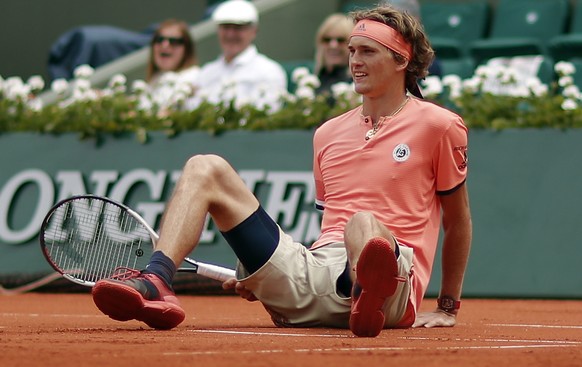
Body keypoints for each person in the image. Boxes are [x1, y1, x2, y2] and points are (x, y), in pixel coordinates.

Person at [91, 4, 472, 337]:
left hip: (394, 282)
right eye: (352, 50)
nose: (354, 60)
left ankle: (365, 291)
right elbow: (328, 232)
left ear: (402, 60)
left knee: (361, 223)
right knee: (205, 166)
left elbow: (457, 221)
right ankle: (156, 278)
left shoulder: (439, 125)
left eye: (367, 51)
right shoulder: (327, 133)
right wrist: (258, 273)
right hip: (317, 275)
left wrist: (447, 305)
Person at [185, 0, 287, 111]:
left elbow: (268, 116)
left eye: (238, 28)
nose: (230, 34)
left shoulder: (269, 71)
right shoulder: (206, 73)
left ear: (254, 31)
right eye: (226, 27)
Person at [145, 19, 199, 106]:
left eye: (174, 41)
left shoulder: (194, 78)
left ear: (187, 49)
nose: (165, 45)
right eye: (159, 39)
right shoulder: (152, 82)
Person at [313, 13, 354, 96]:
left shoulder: (357, 85)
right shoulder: (311, 82)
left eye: (341, 40)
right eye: (327, 40)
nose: (333, 45)